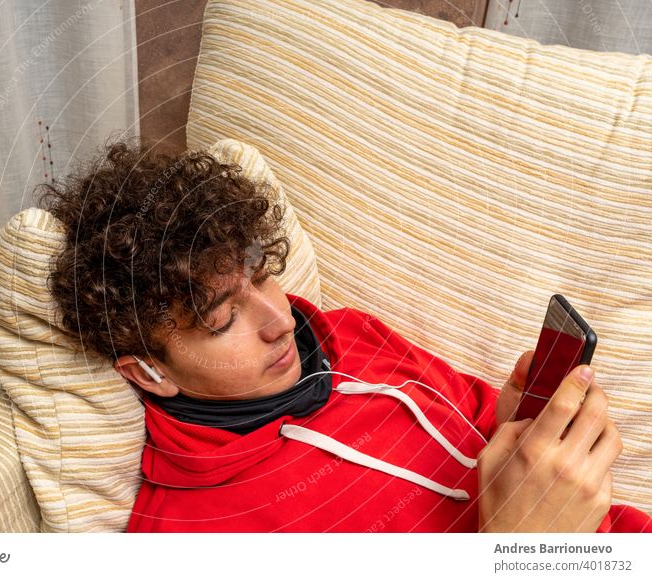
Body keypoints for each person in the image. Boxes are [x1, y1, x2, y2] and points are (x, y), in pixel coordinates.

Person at [38, 137, 652, 533]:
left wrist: (515, 423)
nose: (280, 323)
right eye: (222, 320)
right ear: (150, 371)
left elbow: (477, 423)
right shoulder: (190, 532)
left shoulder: (348, 334)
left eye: (263, 276)